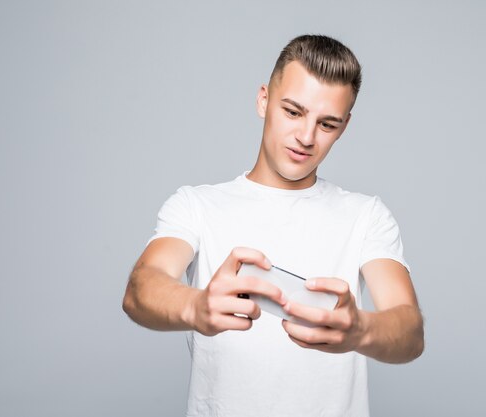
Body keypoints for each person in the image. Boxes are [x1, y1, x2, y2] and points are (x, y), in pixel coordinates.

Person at [123, 34, 424, 417]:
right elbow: (140, 289)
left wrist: (360, 330)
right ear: (263, 100)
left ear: (344, 127)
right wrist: (196, 305)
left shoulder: (366, 215)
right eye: (293, 112)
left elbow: (410, 331)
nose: (306, 137)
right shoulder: (196, 205)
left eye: (327, 124)